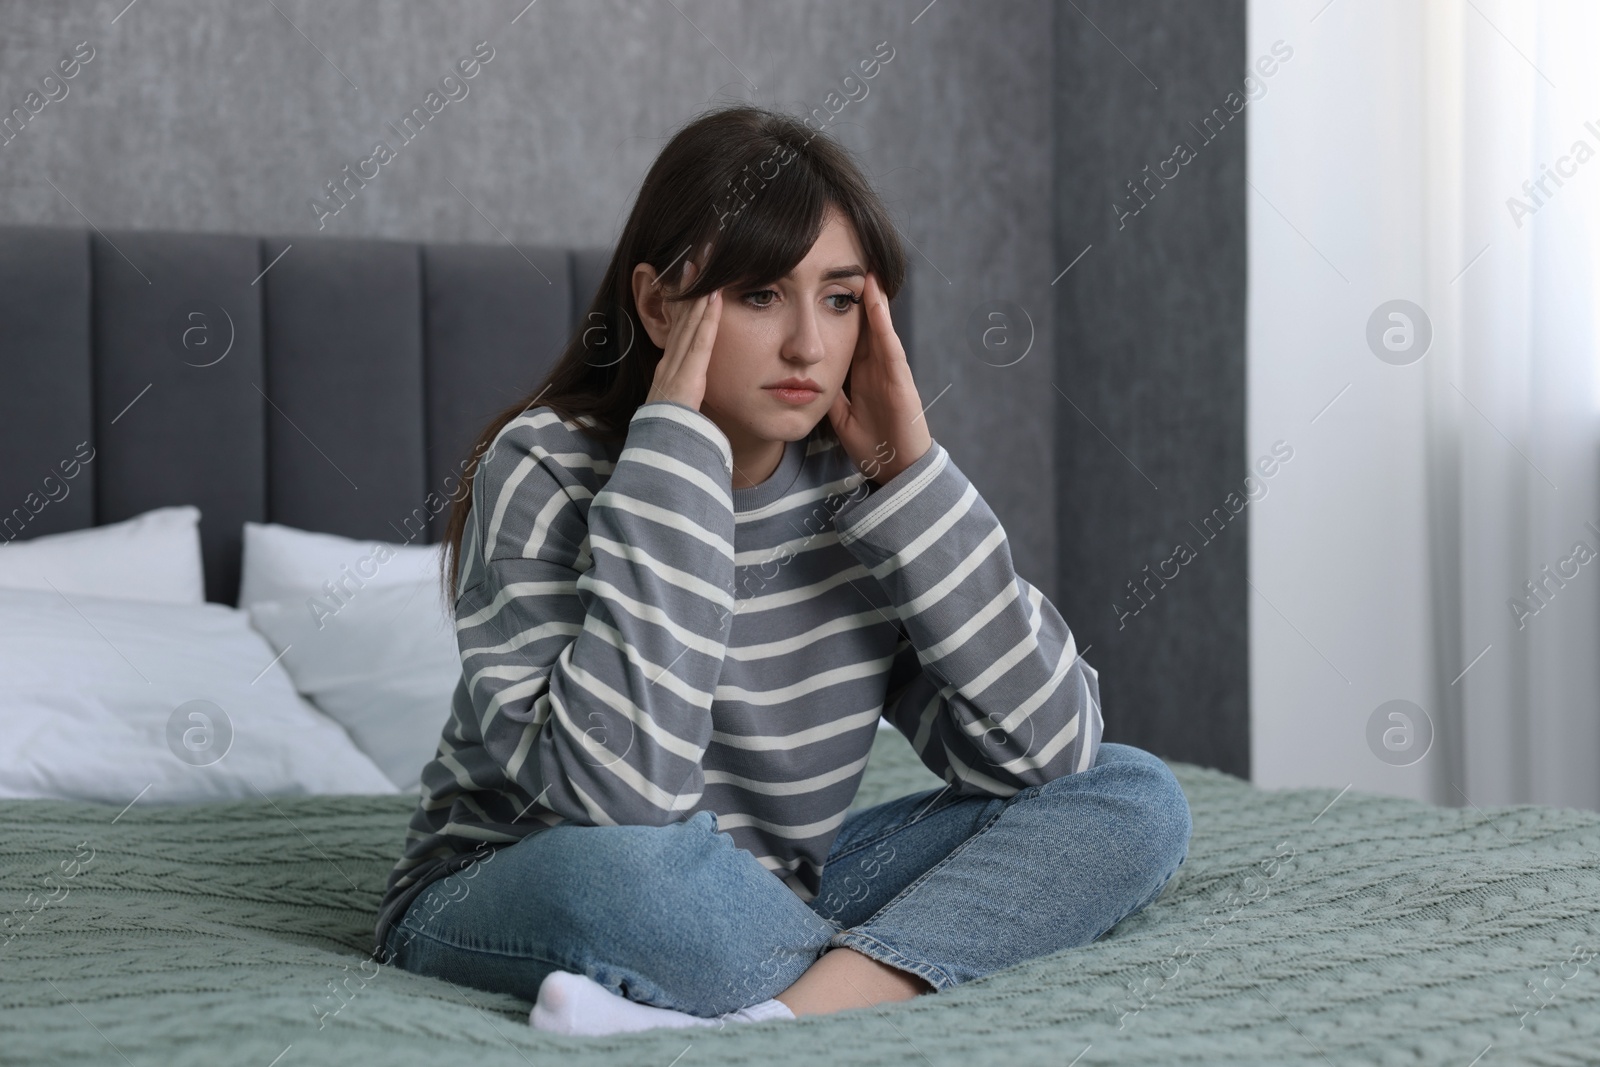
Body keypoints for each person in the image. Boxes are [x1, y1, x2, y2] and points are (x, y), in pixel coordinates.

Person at [371, 103, 1192, 1037]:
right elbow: (620, 795)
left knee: (1131, 796)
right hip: (526, 876)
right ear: (658, 304)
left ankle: (775, 1017)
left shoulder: (865, 492)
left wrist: (913, 483)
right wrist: (676, 457)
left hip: (766, 891)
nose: (809, 343)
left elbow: (1047, 753)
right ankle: (863, 982)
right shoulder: (545, 467)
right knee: (626, 870)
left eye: (840, 299)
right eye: (763, 294)